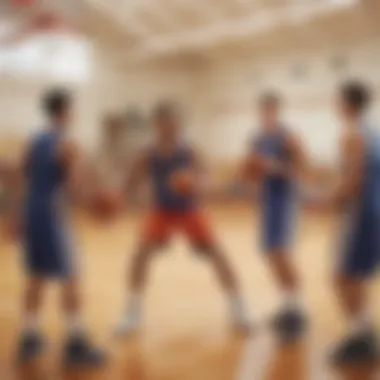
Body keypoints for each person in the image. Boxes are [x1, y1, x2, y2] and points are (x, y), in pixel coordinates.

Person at [116, 103, 250, 334]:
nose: (171, 127)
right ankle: (133, 312)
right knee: (141, 254)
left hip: (189, 209)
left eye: (174, 123)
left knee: (219, 255)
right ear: (157, 125)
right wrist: (119, 200)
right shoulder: (147, 154)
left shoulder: (189, 151)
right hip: (162, 210)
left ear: (179, 125)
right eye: (165, 123)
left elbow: (206, 177)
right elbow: (129, 183)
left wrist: (194, 183)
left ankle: (238, 309)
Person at [16, 88, 106, 367]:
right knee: (70, 275)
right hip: (53, 214)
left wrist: (16, 216)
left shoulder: (34, 140)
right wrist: (98, 204)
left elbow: (24, 175)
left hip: (32, 211)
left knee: (36, 274)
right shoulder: (66, 143)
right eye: (72, 108)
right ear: (65, 111)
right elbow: (76, 185)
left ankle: (29, 336)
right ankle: (75, 343)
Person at [240, 92, 307, 343]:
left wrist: (272, 166)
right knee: (270, 253)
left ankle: (298, 312)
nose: (266, 113)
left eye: (270, 109)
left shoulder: (288, 137)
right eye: (262, 109)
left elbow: (301, 169)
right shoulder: (257, 139)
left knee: (281, 253)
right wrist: (249, 171)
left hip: (285, 202)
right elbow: (250, 173)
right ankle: (287, 305)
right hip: (267, 202)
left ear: (277, 110)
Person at [326, 81, 380, 365]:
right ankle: (364, 333)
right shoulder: (372, 132)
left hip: (357, 215)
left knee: (341, 276)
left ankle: (363, 336)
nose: (335, 105)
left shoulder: (353, 135)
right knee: (355, 276)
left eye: (338, 100)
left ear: (348, 103)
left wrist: (325, 201)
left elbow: (352, 183)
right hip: (371, 211)